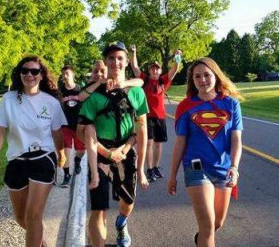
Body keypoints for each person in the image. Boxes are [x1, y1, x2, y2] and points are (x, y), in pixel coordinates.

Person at [0, 54, 66, 247]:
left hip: (43, 157)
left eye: (34, 71)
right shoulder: (8, 99)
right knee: (21, 218)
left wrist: (61, 154)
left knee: (33, 215)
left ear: (41, 75)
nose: (29, 74)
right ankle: (41, 243)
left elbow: (57, 133)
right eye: (25, 71)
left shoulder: (51, 103)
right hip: (16, 160)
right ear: (20, 74)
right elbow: (0, 130)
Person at [77, 41, 149, 247]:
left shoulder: (136, 92)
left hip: (126, 152)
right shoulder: (95, 95)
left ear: (127, 62)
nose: (115, 62)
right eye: (111, 58)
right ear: (106, 62)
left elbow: (141, 128)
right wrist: (107, 154)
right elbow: (81, 133)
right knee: (98, 209)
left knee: (128, 203)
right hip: (100, 155)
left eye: (120, 58)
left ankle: (121, 223)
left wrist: (126, 152)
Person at [167, 57, 243, 247]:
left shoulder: (231, 104)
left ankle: (200, 240)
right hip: (196, 167)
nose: (202, 80)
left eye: (207, 75)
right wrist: (172, 175)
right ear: (192, 80)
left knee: (217, 223)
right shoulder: (186, 106)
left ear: (216, 76)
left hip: (223, 169)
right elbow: (180, 142)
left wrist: (234, 167)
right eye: (197, 76)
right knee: (208, 225)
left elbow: (236, 140)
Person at [129, 45, 181, 182]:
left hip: (161, 117)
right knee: (149, 144)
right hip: (147, 118)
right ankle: (149, 169)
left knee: (159, 144)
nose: (155, 70)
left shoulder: (163, 81)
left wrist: (177, 57)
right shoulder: (144, 80)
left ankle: (156, 167)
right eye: (153, 68)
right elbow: (134, 67)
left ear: (160, 70)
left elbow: (175, 69)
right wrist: (133, 53)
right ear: (149, 70)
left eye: (157, 68)